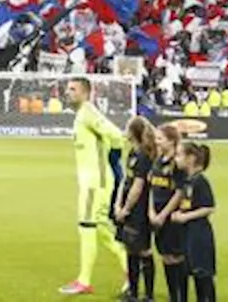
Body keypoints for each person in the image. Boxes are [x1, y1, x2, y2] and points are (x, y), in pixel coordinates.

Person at [59, 77, 127, 296]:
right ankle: (131, 270)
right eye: (67, 89)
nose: (68, 93)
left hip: (95, 183)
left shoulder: (88, 112)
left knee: (87, 227)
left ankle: (84, 280)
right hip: (91, 182)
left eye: (73, 89)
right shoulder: (82, 115)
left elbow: (116, 134)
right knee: (101, 229)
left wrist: (114, 159)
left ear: (86, 94)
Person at [114, 117, 156, 302]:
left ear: (134, 132)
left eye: (127, 128)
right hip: (127, 207)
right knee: (130, 249)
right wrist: (117, 204)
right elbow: (126, 180)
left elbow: (138, 187)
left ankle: (148, 295)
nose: (125, 131)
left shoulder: (144, 156)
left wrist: (126, 209)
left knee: (143, 250)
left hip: (139, 211)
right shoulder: (132, 153)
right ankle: (132, 291)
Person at [172, 142, 216, 302]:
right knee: (190, 271)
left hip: (199, 234)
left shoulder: (200, 181)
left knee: (202, 274)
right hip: (187, 232)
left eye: (179, 155)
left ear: (190, 158)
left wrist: (185, 217)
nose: (175, 159)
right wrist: (179, 213)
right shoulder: (188, 180)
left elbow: (209, 207)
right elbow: (189, 205)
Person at [149, 123, 188, 302]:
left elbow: (179, 192)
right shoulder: (158, 160)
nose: (156, 142)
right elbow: (152, 188)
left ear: (171, 141)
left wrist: (163, 214)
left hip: (170, 217)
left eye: (160, 138)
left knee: (176, 257)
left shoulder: (177, 164)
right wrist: (151, 211)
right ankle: (173, 296)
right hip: (156, 216)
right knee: (165, 256)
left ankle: (181, 296)